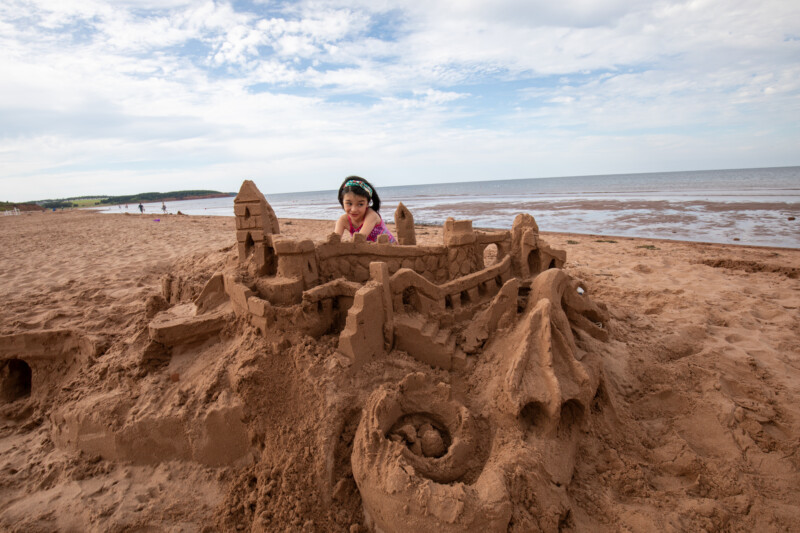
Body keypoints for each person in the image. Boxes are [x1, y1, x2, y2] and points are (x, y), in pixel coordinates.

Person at [334, 176, 396, 243]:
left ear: (367, 203)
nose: (354, 209)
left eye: (360, 204)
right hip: (366, 251)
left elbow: (359, 239)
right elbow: (333, 242)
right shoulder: (343, 220)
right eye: (349, 203)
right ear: (342, 201)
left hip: (390, 251)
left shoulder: (371, 216)